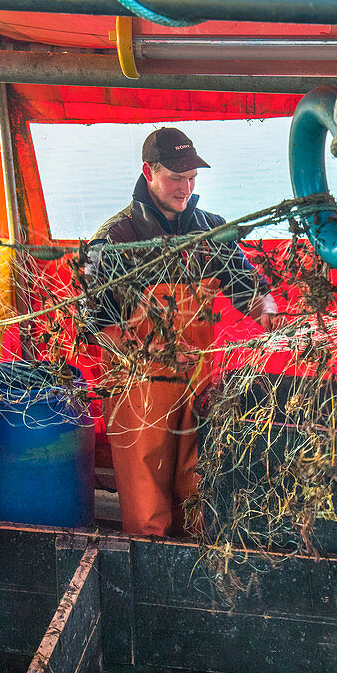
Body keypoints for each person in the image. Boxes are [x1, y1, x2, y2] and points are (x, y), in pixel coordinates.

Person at [86, 127, 277, 536]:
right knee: (147, 503)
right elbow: (97, 320)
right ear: (148, 172)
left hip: (196, 384)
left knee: (198, 492)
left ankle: (194, 579)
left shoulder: (210, 230)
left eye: (192, 178)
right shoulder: (116, 238)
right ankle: (149, 578)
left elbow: (250, 288)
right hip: (139, 395)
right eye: (176, 178)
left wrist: (267, 309)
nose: (185, 188)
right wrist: (136, 357)